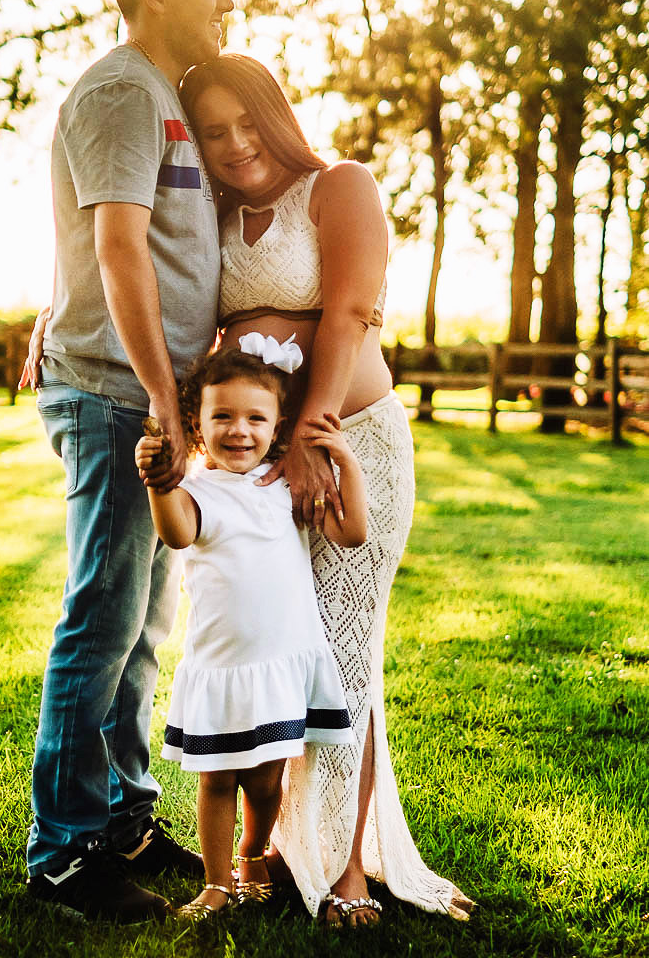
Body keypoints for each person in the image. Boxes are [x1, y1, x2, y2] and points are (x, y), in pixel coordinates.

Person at [178, 52, 475, 926]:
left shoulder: (338, 186)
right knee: (273, 648)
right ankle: (272, 849)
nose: (235, 143)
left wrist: (313, 433)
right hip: (258, 464)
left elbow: (347, 310)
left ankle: (345, 868)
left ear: (275, 116)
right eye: (214, 131)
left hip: (349, 443)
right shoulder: (212, 216)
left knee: (343, 659)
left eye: (247, 122)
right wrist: (57, 311)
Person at [21, 0, 234, 923]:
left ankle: (124, 819)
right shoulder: (120, 91)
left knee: (142, 626)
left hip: (148, 393)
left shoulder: (167, 96)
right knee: (102, 620)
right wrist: (158, 392)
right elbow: (115, 248)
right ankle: (63, 852)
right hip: (117, 394)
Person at [134, 337, 369, 921]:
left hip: (281, 664)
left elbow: (353, 534)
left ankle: (253, 853)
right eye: (222, 416)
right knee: (217, 781)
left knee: (265, 782)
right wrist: (158, 481)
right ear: (197, 423)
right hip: (222, 666)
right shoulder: (195, 491)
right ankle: (216, 884)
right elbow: (176, 534)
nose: (239, 430)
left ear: (277, 425)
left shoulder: (286, 485)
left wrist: (346, 461)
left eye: (255, 419)